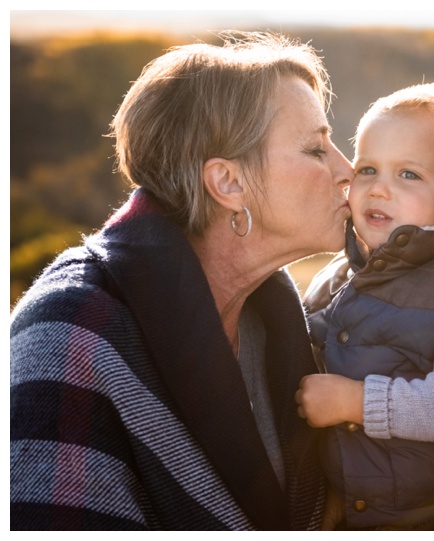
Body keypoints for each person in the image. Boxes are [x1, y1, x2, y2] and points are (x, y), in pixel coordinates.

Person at [10, 32, 353, 530]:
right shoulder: (70, 330)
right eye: (316, 149)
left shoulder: (278, 323)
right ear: (228, 184)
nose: (348, 170)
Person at [294, 81, 434, 529]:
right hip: (347, 510)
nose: (378, 189)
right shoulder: (336, 276)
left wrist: (358, 402)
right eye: (368, 169)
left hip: (430, 518)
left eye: (408, 175)